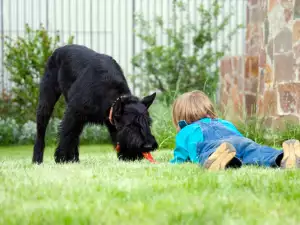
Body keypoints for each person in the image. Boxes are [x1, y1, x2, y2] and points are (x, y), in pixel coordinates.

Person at [170, 90, 300, 170]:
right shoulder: (223, 122)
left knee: (208, 150)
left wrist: (174, 162)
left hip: (218, 145)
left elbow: (180, 157)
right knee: (256, 151)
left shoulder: (186, 131)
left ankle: (221, 157)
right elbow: (237, 135)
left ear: (181, 120)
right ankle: (283, 156)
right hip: (240, 141)